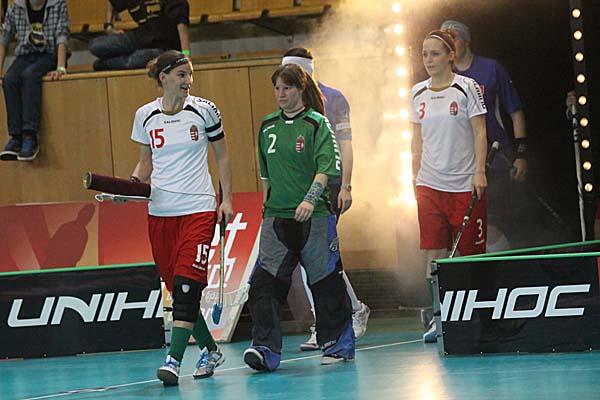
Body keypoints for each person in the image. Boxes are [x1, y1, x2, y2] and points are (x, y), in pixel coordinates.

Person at [129, 50, 233, 386]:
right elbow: (145, 163)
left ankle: (173, 360)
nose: (188, 81)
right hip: (160, 212)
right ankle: (210, 350)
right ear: (163, 78)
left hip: (198, 209)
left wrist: (226, 199)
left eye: (190, 75)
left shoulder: (204, 110)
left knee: (188, 286)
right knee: (177, 288)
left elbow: (222, 157)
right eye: (181, 75)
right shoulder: (145, 115)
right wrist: (130, 187)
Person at [244, 63, 354, 371]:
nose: (281, 94)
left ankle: (338, 345)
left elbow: (327, 168)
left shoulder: (317, 124)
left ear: (301, 89)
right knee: (264, 283)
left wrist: (310, 199)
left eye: (287, 88)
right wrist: (266, 208)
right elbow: (265, 175)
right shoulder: (268, 126)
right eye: (277, 88)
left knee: (325, 280)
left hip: (314, 217)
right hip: (276, 218)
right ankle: (264, 349)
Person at [280, 47, 370, 351]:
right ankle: (336, 316)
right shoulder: (287, 99)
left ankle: (345, 314)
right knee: (308, 256)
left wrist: (346, 185)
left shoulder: (334, 98)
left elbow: (346, 144)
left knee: (317, 254)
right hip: (297, 188)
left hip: (327, 185)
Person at [410, 30, 487, 343]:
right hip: (429, 184)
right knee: (433, 251)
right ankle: (438, 316)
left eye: (435, 54)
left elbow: (480, 131)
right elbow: (416, 139)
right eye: (424, 54)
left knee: (469, 253)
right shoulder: (417, 92)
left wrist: (479, 171)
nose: (428, 60)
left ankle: (475, 314)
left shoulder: (467, 87)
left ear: (451, 55)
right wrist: (414, 174)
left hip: (465, 183)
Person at [440, 20, 527, 252]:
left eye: (453, 37)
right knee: (460, 224)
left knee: (492, 222)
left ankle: (503, 265)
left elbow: (515, 112)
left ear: (466, 40)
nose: (450, 44)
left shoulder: (491, 69)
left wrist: (520, 154)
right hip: (458, 163)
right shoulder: (443, 75)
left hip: (494, 158)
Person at [0, 0, 70, 162]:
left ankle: (30, 135)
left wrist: (60, 67)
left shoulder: (57, 4)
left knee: (30, 75)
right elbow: (4, 38)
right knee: (9, 79)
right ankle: (15, 136)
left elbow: (62, 36)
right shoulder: (16, 6)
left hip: (49, 54)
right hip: (26, 55)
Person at [89, 0, 190, 71]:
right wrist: (109, 26)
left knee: (136, 60)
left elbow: (182, 27)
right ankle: (111, 61)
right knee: (95, 45)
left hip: (164, 47)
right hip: (140, 37)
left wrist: (185, 57)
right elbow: (113, 3)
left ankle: (105, 64)